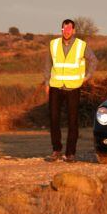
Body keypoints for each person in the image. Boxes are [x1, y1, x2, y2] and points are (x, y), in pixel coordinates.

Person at [43, 19, 98, 163]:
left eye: (69, 29)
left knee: (72, 121)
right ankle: (56, 150)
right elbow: (48, 64)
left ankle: (70, 153)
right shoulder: (53, 44)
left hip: (73, 87)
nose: (66, 31)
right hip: (55, 86)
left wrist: (86, 77)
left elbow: (93, 61)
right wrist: (47, 82)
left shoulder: (81, 45)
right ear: (61, 30)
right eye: (64, 29)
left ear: (73, 31)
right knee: (54, 119)